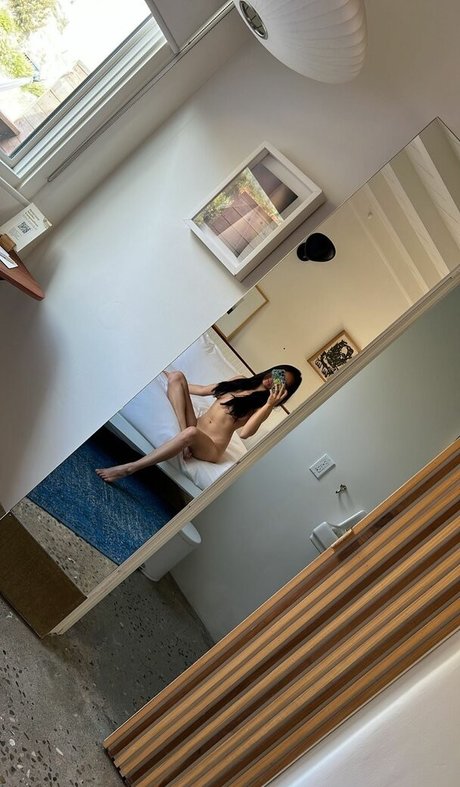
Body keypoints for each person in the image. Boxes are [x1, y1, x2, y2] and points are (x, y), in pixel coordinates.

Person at [96, 364, 302, 482]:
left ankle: (129, 468)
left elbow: (245, 433)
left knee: (191, 434)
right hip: (194, 426)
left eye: (282, 382)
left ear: (283, 390)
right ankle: (183, 436)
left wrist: (270, 404)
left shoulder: (261, 407)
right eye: (278, 374)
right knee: (177, 377)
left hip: (211, 447)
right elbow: (203, 390)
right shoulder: (240, 380)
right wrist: (164, 373)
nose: (274, 379)